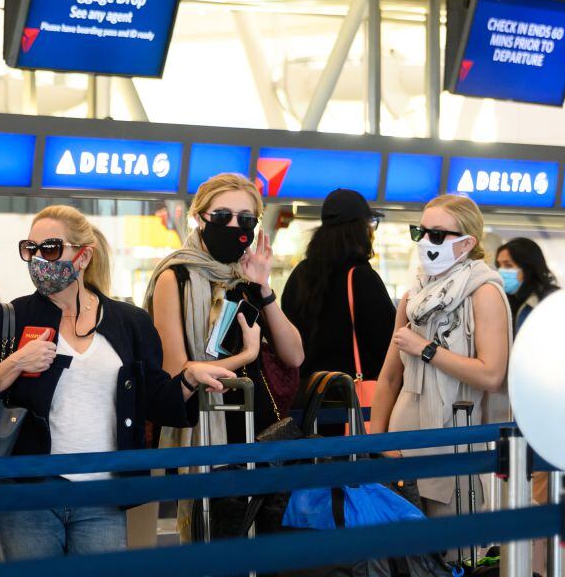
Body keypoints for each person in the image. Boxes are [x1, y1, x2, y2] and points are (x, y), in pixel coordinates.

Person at [0, 205, 233, 560]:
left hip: (102, 493)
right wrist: (14, 364)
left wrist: (189, 377)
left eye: (50, 249)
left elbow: (155, 400)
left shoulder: (130, 323)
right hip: (27, 493)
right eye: (30, 249)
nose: (38, 259)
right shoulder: (9, 318)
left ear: (83, 257)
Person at [370, 194, 511, 518]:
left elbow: (491, 374)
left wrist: (427, 350)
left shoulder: (484, 292)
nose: (424, 242)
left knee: (453, 541)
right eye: (419, 232)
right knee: (402, 542)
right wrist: (375, 443)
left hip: (457, 439)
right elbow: (389, 378)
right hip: (402, 440)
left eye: (436, 235)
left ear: (467, 243)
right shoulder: (414, 296)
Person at [145, 173, 304, 447]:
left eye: (246, 219)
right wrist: (246, 356)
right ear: (199, 218)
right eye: (222, 216)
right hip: (201, 429)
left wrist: (263, 287)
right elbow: (176, 371)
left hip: (256, 427)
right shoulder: (175, 278)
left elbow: (294, 356)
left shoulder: (245, 279)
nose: (234, 226)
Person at [281, 189, 394, 386]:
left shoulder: (300, 274)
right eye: (371, 224)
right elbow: (388, 344)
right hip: (350, 393)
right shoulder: (362, 277)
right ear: (360, 229)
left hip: (305, 392)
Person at [494, 238, 559, 336]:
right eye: (499, 265)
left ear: (528, 268)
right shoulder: (503, 299)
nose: (501, 271)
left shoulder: (552, 299)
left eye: (508, 265)